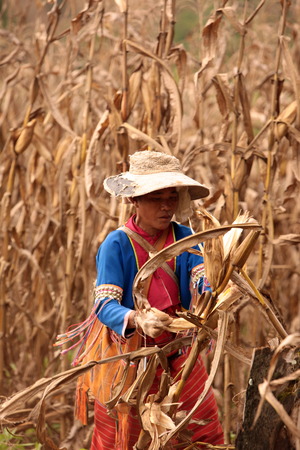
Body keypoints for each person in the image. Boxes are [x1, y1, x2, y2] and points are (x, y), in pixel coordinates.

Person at [58, 150, 224, 449]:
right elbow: (105, 305)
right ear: (134, 200)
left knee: (202, 430)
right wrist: (138, 318)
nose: (166, 207)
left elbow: (203, 278)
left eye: (171, 198)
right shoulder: (116, 244)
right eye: (155, 198)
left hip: (179, 350)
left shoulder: (185, 237)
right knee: (121, 439)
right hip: (130, 356)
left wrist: (215, 289)